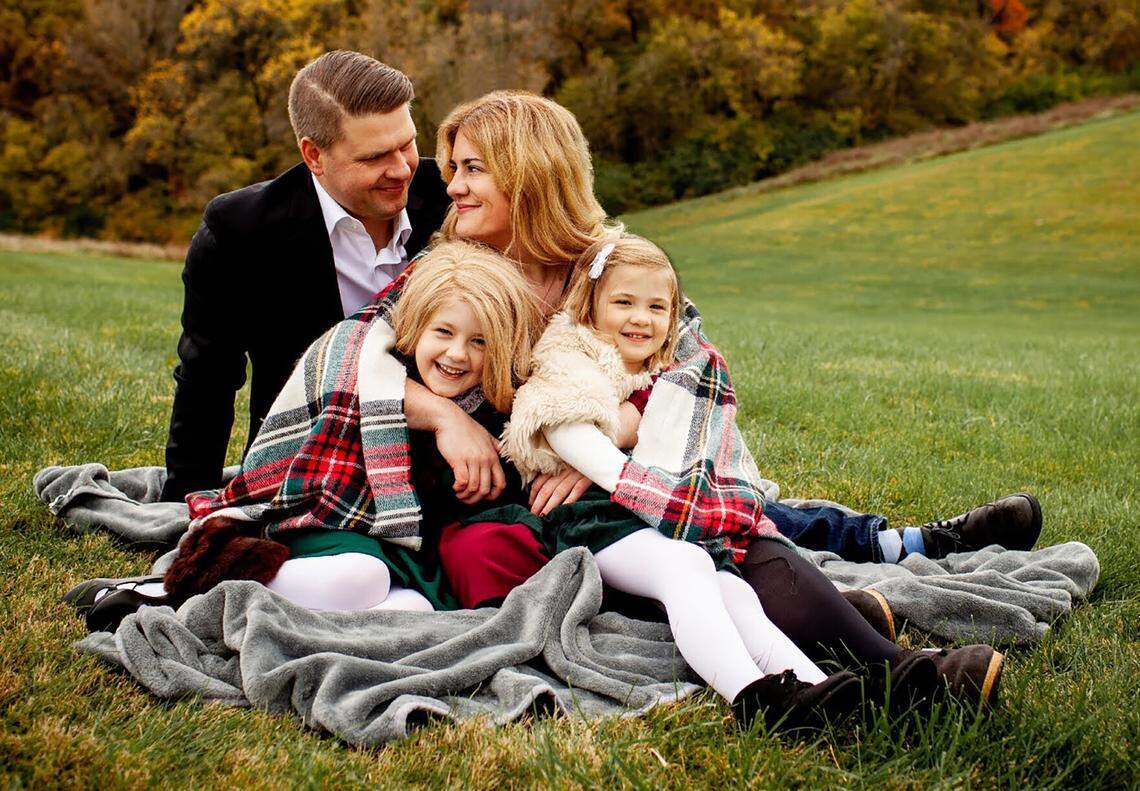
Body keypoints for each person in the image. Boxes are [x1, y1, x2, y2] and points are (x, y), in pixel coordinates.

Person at [83, 241, 540, 627]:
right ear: (417, 328)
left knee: (414, 613)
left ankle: (253, 617)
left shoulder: (492, 411)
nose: (457, 354)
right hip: (334, 527)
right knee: (363, 580)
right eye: (444, 332)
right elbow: (320, 468)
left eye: (479, 342)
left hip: (409, 556)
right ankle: (177, 595)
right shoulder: (378, 381)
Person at [159, 50, 451, 503]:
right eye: (374, 156)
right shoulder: (240, 232)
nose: (401, 169)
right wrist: (185, 501)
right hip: (312, 463)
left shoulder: (452, 197)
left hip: (448, 461)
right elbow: (208, 378)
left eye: (407, 143)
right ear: (314, 155)